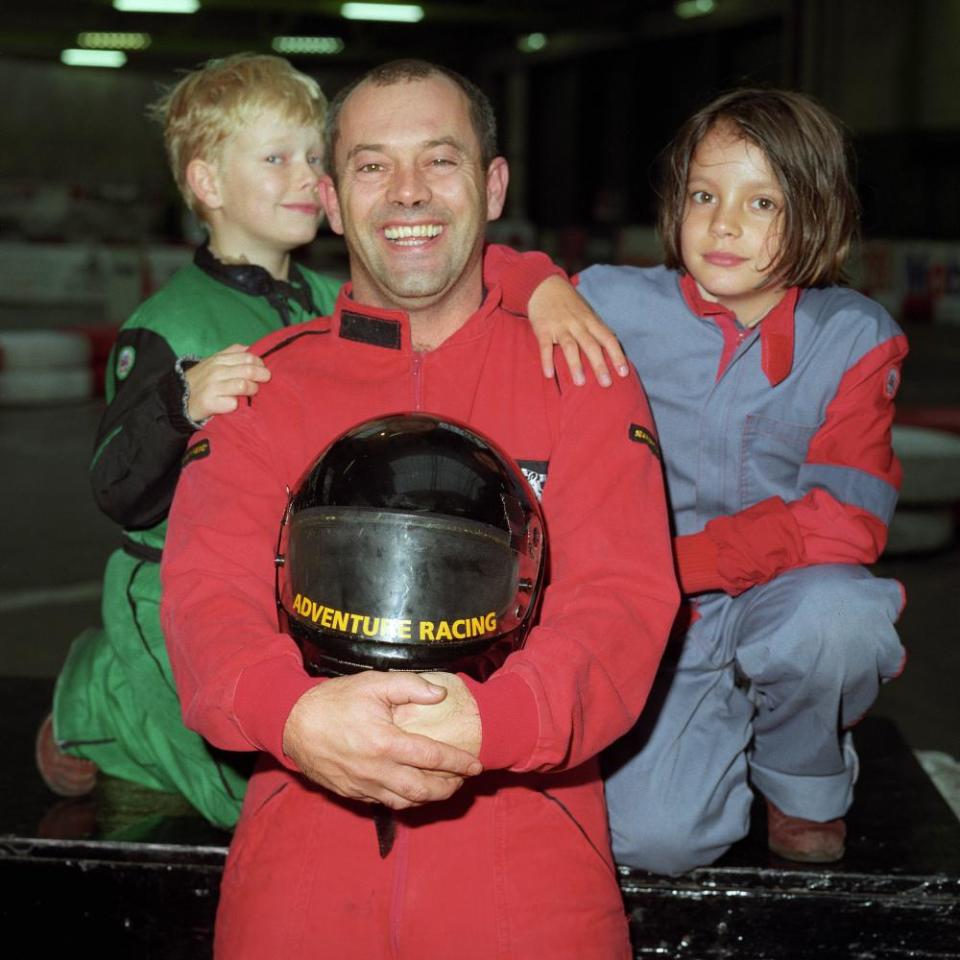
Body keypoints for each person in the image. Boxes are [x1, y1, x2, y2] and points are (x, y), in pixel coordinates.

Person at [160, 59, 678, 958]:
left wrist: (498, 722)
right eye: (370, 165)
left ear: (492, 183)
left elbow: (622, 600)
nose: (407, 193)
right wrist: (292, 715)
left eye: (440, 161)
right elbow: (206, 594)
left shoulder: (583, 374)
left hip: (532, 880)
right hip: (299, 874)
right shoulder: (262, 385)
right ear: (328, 196)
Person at [37, 53, 621, 830]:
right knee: (235, 799)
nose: (305, 176)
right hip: (163, 580)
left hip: (292, 559)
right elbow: (116, 487)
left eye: (314, 157)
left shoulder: (320, 296)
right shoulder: (168, 325)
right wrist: (179, 405)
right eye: (276, 158)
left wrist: (537, 281)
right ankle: (97, 695)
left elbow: (431, 271)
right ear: (207, 185)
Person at [567, 89, 907, 873]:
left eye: (763, 203)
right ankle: (718, 734)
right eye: (703, 195)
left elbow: (846, 521)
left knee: (839, 618)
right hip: (650, 614)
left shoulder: (857, 336)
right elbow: (490, 287)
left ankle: (804, 779)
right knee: (657, 842)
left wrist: (683, 564)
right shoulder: (612, 303)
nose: (723, 225)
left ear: (819, 214)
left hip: (776, 594)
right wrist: (542, 290)